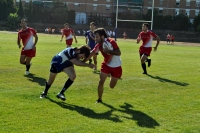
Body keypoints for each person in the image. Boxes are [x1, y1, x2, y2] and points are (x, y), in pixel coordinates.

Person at [84, 28, 122, 103]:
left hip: (116, 66)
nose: (95, 38)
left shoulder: (111, 41)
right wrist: (82, 62)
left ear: (102, 36)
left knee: (112, 86)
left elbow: (119, 52)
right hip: (106, 65)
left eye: (97, 37)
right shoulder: (98, 45)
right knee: (101, 81)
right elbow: (91, 53)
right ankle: (99, 99)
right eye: (95, 36)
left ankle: (111, 76)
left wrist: (109, 51)